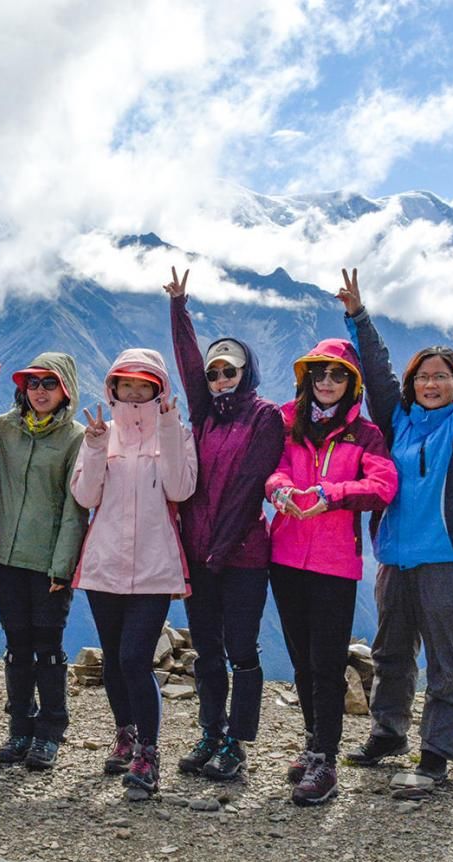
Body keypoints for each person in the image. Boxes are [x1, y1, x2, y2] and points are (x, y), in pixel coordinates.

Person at [338, 268, 453, 795]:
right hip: (394, 558)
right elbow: (377, 371)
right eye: (423, 377)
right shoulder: (398, 421)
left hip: (443, 560)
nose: (430, 384)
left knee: (443, 660)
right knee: (391, 653)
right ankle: (388, 732)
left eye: (441, 376)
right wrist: (358, 317)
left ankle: (437, 752)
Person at [162, 267, 284, 781]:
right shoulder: (203, 413)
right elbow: (188, 366)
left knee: (241, 647)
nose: (218, 380)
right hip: (199, 553)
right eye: (213, 374)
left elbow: (248, 487)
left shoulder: (265, 417)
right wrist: (179, 308)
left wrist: (218, 548)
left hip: (242, 556)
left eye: (228, 372)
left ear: (245, 372)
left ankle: (237, 741)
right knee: (207, 648)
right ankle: (211, 730)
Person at [266, 336, 397, 806]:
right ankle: (313, 741)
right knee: (302, 659)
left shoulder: (366, 435)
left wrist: (331, 494)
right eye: (319, 373)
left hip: (334, 563)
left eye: (337, 374)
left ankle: (326, 758)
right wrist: (280, 490)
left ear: (352, 383)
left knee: (326, 663)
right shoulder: (288, 424)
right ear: (307, 380)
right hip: (284, 556)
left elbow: (382, 486)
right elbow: (274, 469)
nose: (327, 381)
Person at [70, 348, 197, 797]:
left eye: (145, 384)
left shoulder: (176, 434)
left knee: (133, 659)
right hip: (105, 563)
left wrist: (167, 427)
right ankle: (124, 734)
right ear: (114, 388)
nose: (136, 391)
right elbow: (86, 497)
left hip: (154, 566)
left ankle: (147, 751)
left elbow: (182, 488)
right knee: (112, 658)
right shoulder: (101, 435)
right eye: (128, 384)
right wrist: (95, 443)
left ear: (159, 389)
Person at [0, 350, 89, 770]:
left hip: (48, 562)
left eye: (49, 383)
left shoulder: (76, 438)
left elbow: (76, 509)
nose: (39, 391)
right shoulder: (3, 429)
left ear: (66, 389)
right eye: (32, 384)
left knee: (49, 647)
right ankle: (19, 727)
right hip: (5, 556)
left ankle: (50, 731)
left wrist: (63, 566)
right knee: (17, 645)